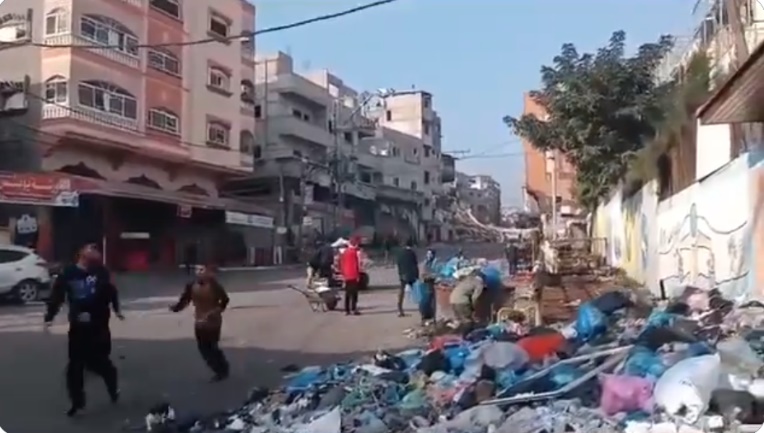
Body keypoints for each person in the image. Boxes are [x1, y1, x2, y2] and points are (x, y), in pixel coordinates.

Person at [44, 243, 122, 417]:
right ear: (81, 253)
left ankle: (113, 387)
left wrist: (117, 310)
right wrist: (49, 316)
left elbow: (111, 292)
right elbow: (57, 295)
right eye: (91, 248)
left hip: (99, 327)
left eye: (96, 249)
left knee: (100, 363)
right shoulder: (69, 273)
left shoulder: (101, 272)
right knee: (75, 366)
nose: (95, 251)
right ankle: (77, 402)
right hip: (78, 328)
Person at [169, 264, 230, 381]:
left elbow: (225, 300)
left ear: (208, 272)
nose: (199, 272)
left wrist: (217, 310)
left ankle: (222, 369)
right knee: (203, 348)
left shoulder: (214, 286)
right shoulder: (191, 285)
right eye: (197, 269)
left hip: (213, 321)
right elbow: (185, 299)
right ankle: (218, 367)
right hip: (199, 320)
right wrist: (176, 308)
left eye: (202, 269)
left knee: (212, 346)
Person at [396, 238, 419, 317]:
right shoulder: (412, 253)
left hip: (403, 274)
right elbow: (415, 265)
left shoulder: (400, 253)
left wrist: (400, 273)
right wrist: (417, 275)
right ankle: (421, 307)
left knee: (401, 291)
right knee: (416, 292)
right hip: (411, 275)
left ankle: (400, 308)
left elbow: (398, 264)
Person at [339, 236, 363, 315]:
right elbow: (358, 264)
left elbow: (341, 264)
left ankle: (347, 310)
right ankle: (354, 308)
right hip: (354, 274)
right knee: (354, 293)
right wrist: (358, 275)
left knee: (348, 293)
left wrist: (343, 273)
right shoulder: (356, 252)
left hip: (346, 275)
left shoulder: (344, 252)